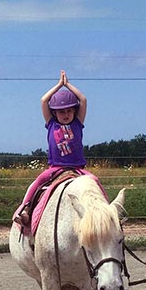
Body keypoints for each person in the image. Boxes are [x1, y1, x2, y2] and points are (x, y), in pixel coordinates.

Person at [13, 70, 89, 230]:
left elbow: (83, 99)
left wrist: (68, 85)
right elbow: (43, 100)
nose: (66, 114)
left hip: (78, 168)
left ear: (74, 111)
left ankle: (109, 214)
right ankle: (25, 209)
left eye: (69, 110)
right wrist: (59, 85)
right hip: (56, 168)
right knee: (37, 183)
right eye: (61, 111)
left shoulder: (77, 123)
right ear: (54, 112)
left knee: (95, 183)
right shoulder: (51, 124)